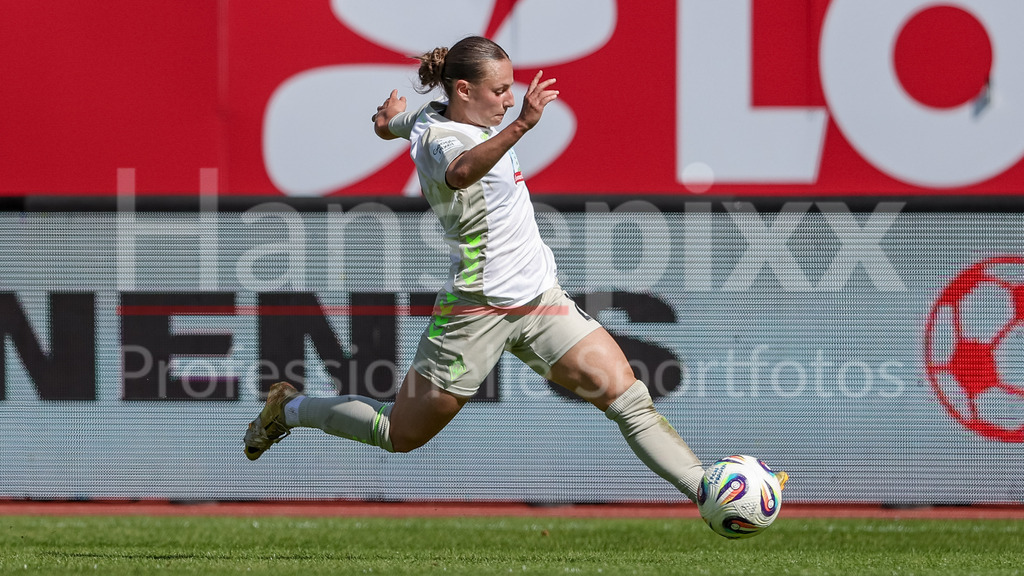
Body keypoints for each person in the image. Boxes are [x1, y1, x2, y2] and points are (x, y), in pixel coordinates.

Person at [243, 36, 785, 503]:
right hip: (478, 307)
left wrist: (387, 122)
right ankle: (291, 410)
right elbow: (459, 171)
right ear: (464, 91)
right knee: (399, 433)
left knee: (628, 399)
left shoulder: (430, 119)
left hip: (540, 298)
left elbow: (399, 124)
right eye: (499, 90)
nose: (509, 97)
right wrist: (523, 122)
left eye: (510, 89)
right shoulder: (442, 140)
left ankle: (707, 491)